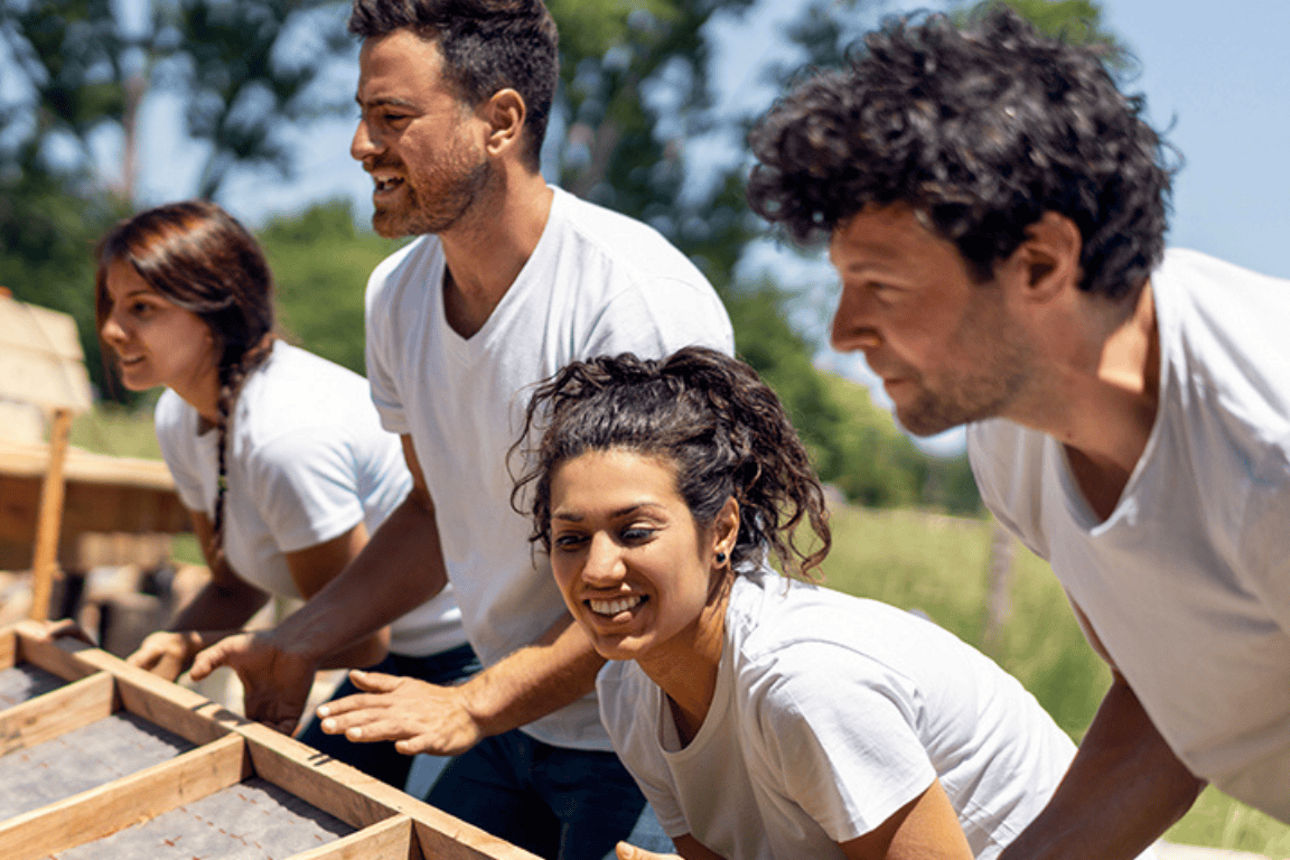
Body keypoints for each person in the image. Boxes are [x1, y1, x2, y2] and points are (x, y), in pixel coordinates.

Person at [185, 1, 734, 857]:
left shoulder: (630, 301)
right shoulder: (396, 296)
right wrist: (295, 641)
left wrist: (473, 703)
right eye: (363, 116)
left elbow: (665, 571)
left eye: (392, 117)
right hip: (513, 712)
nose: (361, 146)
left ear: (500, 122)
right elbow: (432, 511)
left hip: (655, 730)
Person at [745, 5, 1290, 857]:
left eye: (882, 287)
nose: (843, 333)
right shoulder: (1012, 436)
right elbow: (1167, 697)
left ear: (1041, 262)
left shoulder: (1268, 446)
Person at [508, 346, 1104, 860]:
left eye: (635, 532)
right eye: (571, 539)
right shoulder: (629, 692)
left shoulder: (801, 682)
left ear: (721, 532)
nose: (598, 569)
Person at [94, 199, 477, 791]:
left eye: (141, 307)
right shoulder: (179, 416)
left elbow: (358, 636)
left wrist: (207, 648)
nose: (112, 329)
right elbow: (234, 585)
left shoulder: (284, 437)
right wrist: (155, 658)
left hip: (461, 660)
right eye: (111, 304)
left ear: (215, 310)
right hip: (385, 659)